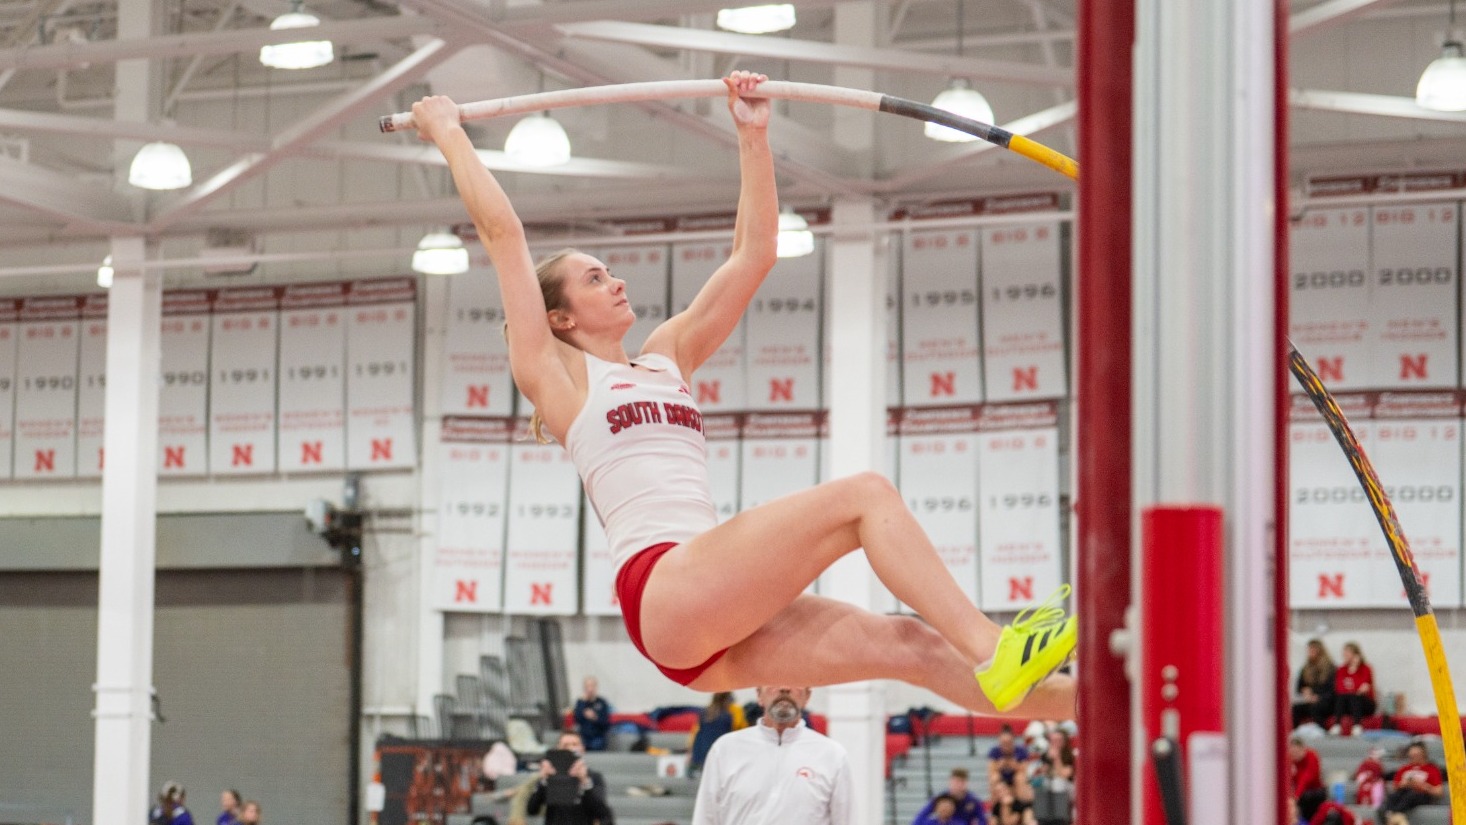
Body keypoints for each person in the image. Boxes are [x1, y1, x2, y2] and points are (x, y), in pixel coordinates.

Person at [412, 72, 1076, 718]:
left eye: (610, 271)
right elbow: (505, 235)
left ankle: (1093, 706)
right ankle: (996, 645)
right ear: (560, 317)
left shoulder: (668, 354)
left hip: (710, 610)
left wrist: (752, 135)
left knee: (912, 645)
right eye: (594, 277)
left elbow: (753, 253)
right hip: (665, 587)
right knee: (866, 494)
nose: (615, 281)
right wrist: (447, 133)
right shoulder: (559, 379)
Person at [691, 685, 851, 825]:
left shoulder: (832, 755)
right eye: (774, 679)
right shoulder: (725, 750)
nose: (784, 687)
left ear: (807, 696)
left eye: (794, 680)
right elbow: (705, 819)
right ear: (759, 694)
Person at [526, 730, 614, 825]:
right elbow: (532, 809)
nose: (570, 749)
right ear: (558, 749)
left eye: (574, 745)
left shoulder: (593, 777)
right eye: (565, 746)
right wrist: (543, 781)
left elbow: (604, 814)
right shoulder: (549, 776)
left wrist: (585, 782)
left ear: (582, 749)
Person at [1377, 742, 1444, 825]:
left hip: (1422, 794)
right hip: (1403, 792)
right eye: (1411, 756)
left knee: (1411, 795)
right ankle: (1394, 817)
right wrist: (1404, 784)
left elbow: (1439, 792)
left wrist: (1424, 786)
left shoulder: (1432, 769)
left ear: (1424, 755)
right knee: (1391, 799)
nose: (1413, 758)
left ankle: (1393, 816)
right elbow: (1395, 787)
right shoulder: (1404, 769)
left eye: (1417, 755)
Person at [689, 691, 748, 776]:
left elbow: (696, 733)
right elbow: (740, 731)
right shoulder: (729, 716)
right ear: (728, 699)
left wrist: (691, 752)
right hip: (719, 755)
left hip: (701, 754)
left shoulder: (705, 713)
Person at [911, 769, 987, 825]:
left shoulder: (973, 801)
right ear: (950, 782)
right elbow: (921, 816)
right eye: (956, 782)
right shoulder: (941, 798)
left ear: (966, 783)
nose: (958, 785)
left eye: (961, 782)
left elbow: (982, 819)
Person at [1331, 642, 1375, 735]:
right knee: (1341, 697)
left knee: (1354, 697)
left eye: (1348, 653)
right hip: (1347, 703)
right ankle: (1337, 725)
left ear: (1356, 654)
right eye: (1344, 653)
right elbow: (1339, 688)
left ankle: (1357, 725)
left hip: (1365, 703)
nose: (1345, 655)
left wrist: (1354, 669)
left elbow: (1362, 689)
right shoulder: (1341, 669)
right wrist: (1353, 689)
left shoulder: (1365, 668)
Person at [1293, 638, 1337, 730]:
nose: (1309, 652)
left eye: (1312, 650)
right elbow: (1299, 687)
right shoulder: (1305, 668)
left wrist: (1317, 696)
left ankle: (1322, 732)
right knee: (1295, 709)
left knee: (1316, 708)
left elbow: (1332, 690)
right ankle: (1294, 735)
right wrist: (1305, 691)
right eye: (1309, 650)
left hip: (1327, 702)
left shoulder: (1330, 668)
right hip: (1311, 701)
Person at [1288, 736, 1326, 821]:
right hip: (1300, 792)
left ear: (1303, 749)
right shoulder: (1291, 761)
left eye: (1296, 752)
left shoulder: (1312, 756)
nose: (1294, 755)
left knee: (1305, 797)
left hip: (1315, 792)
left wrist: (1296, 796)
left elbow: (1307, 778)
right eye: (1292, 752)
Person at [572, 676, 613, 752]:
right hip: (583, 736)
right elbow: (577, 719)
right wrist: (583, 703)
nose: (590, 689)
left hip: (598, 736)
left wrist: (594, 717)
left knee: (597, 744)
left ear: (596, 687)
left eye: (592, 686)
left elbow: (605, 723)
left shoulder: (602, 702)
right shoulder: (580, 702)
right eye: (587, 686)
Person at [988, 724, 1030, 788]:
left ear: (1013, 741)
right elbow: (991, 771)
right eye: (1003, 743)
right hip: (1001, 781)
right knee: (994, 778)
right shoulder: (994, 751)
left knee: (1020, 778)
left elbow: (1025, 771)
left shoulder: (1021, 751)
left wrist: (1015, 766)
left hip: (1016, 781)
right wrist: (1000, 766)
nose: (1006, 747)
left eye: (1008, 743)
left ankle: (1021, 797)